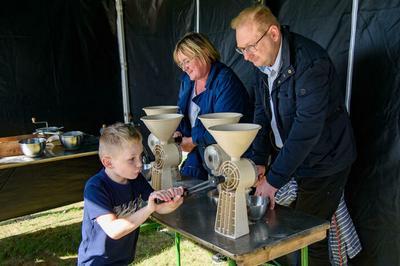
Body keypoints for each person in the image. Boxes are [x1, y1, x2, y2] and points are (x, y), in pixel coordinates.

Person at [231, 5, 357, 265]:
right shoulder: (262, 62)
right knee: (286, 232)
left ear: (273, 33)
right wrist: (259, 161)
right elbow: (261, 112)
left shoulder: (312, 64)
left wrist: (274, 180)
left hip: (325, 163)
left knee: (309, 238)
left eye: (250, 47)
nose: (245, 56)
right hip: (290, 159)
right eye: (241, 49)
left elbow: (306, 130)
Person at [77, 123, 184, 265]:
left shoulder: (135, 179)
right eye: (131, 159)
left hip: (122, 259)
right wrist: (149, 208)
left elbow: (157, 206)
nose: (140, 164)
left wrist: (172, 202)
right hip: (96, 262)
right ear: (108, 163)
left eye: (140, 156)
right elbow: (113, 230)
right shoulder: (96, 187)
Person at [173, 32, 252, 180]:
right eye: (180, 64)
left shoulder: (225, 81)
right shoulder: (187, 81)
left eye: (187, 61)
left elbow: (223, 126)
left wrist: (193, 141)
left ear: (203, 53)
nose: (184, 68)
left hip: (227, 157)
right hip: (200, 154)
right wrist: (177, 131)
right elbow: (181, 112)